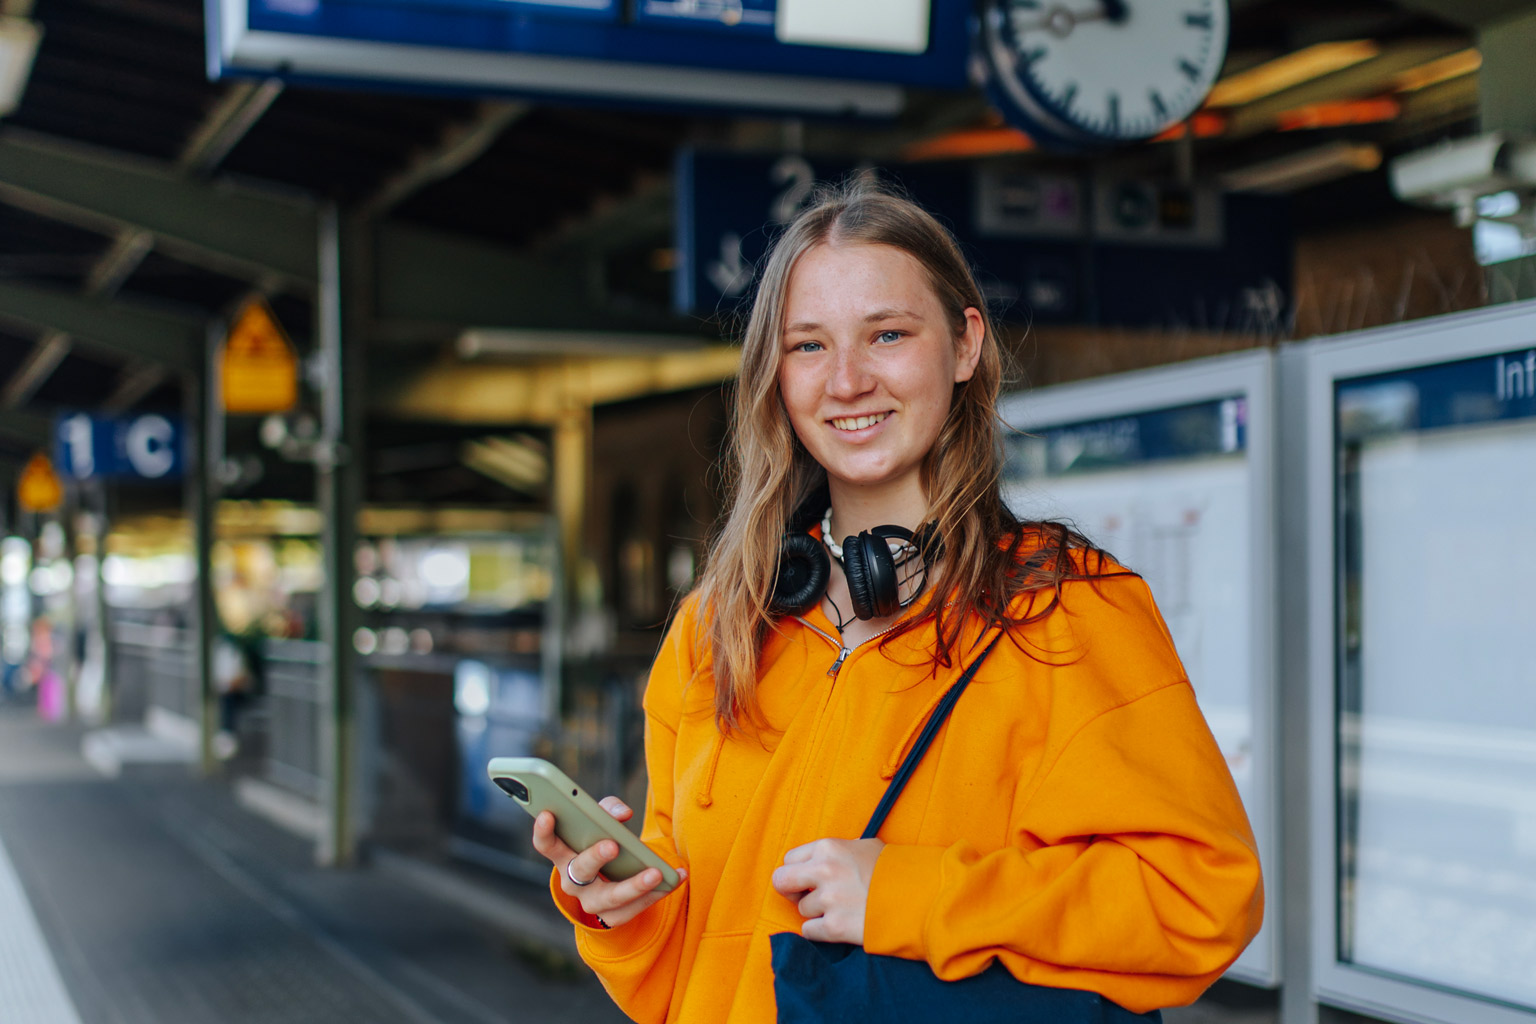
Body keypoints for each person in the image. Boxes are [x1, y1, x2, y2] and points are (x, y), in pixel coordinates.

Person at [532, 181, 1263, 1023]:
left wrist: (906, 893)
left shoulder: (1066, 611)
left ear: (962, 345)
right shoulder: (718, 625)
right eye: (808, 346)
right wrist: (624, 906)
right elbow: (680, 978)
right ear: (774, 373)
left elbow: (1199, 899)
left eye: (887, 334)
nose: (846, 380)